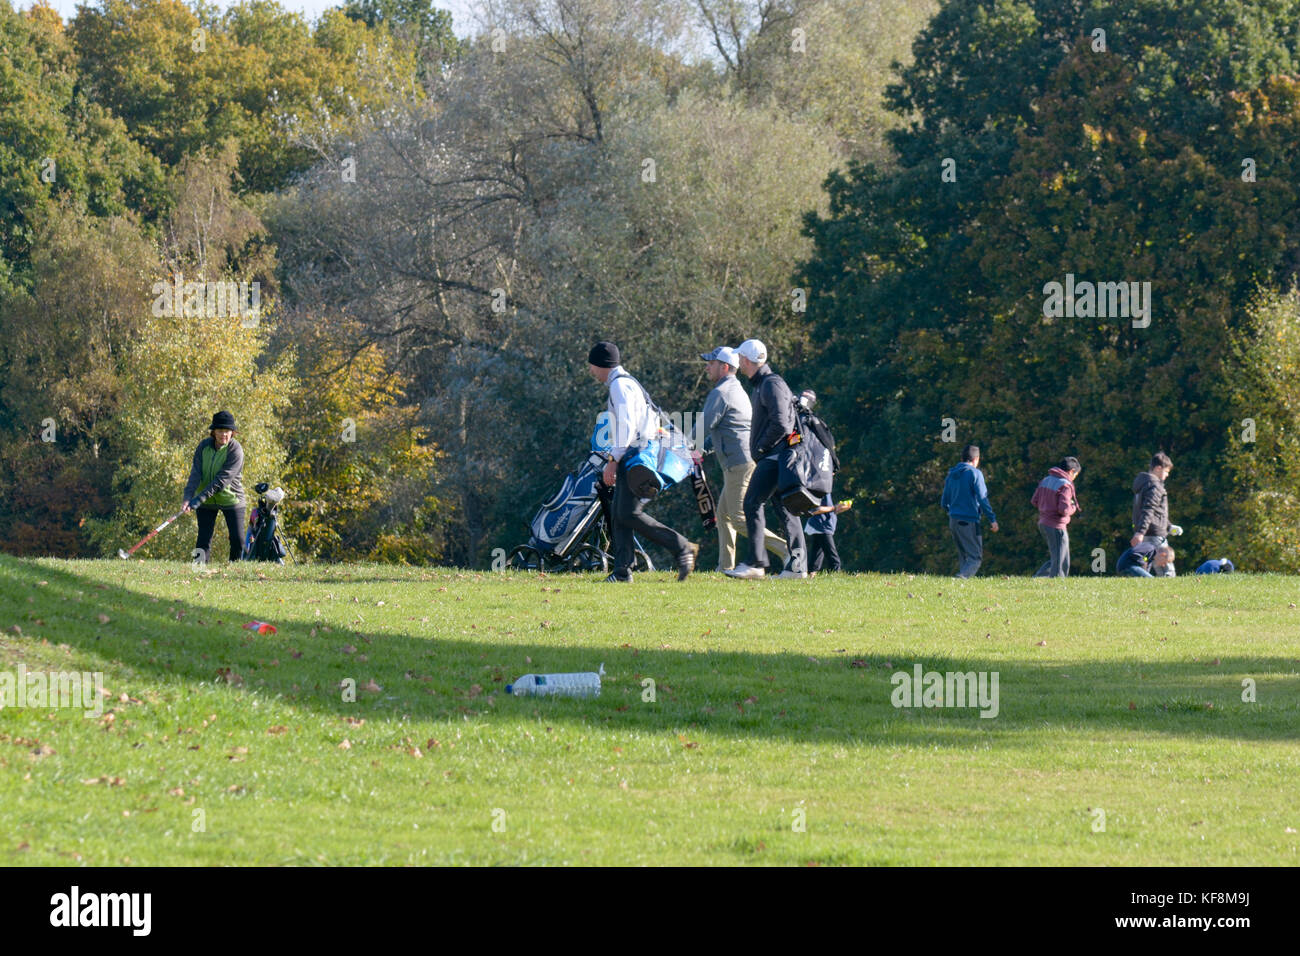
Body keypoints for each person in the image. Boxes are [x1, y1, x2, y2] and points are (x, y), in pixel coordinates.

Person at [587, 341, 697, 583]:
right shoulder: (627, 383)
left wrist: (613, 460)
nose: (590, 371)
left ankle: (680, 546)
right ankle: (622, 572)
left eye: (591, 366)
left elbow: (626, 425)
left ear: (601, 364)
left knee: (628, 514)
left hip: (634, 453)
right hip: (636, 450)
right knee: (620, 512)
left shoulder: (619, 386)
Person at [697, 345, 787, 572]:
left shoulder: (721, 392)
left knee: (738, 518)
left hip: (739, 463)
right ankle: (725, 566)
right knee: (723, 515)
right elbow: (717, 430)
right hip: (740, 461)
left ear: (724, 367)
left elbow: (701, 428)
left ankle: (789, 551)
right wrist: (699, 448)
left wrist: (681, 446)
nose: (707, 367)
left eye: (711, 363)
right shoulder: (734, 389)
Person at [724, 339, 807, 579]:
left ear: (747, 361)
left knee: (751, 503)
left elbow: (782, 423)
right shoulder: (764, 384)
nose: (739, 362)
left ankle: (756, 562)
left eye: (740, 358)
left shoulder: (771, 384)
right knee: (785, 508)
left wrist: (761, 449)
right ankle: (797, 568)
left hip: (774, 457)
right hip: (775, 457)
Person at [182, 410, 247, 562]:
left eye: (227, 431)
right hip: (206, 501)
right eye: (220, 431)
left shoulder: (235, 449)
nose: (223, 435)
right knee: (203, 539)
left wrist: (199, 499)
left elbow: (222, 480)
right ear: (213, 432)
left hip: (232, 499)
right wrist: (187, 498)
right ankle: (197, 570)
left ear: (232, 432)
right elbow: (195, 474)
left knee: (238, 540)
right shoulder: (204, 446)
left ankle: (236, 571)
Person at [940, 444, 998, 578]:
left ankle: (961, 586)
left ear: (962, 458)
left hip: (953, 520)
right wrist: (992, 519)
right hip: (969, 520)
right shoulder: (975, 473)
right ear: (976, 459)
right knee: (975, 558)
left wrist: (952, 512)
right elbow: (983, 499)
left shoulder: (951, 474)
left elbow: (944, 502)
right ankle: (960, 579)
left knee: (964, 556)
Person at [1031, 456, 1081, 577]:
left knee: (1061, 558)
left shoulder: (1046, 480)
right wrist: (1073, 508)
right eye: (1075, 475)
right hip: (1056, 526)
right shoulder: (1065, 485)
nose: (1074, 478)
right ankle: (1055, 584)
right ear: (1071, 472)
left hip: (1043, 523)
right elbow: (1063, 509)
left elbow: (1034, 501)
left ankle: (1038, 578)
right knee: (1060, 561)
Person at [1132, 452, 1174, 552]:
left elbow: (1156, 511)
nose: (1167, 475)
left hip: (1146, 532)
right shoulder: (1155, 486)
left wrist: (1169, 526)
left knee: (1145, 565)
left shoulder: (1144, 484)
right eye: (1166, 471)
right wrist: (1140, 532)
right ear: (1158, 468)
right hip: (1155, 535)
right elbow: (1149, 509)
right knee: (1165, 565)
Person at [804, 492, 852, 574]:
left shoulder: (827, 489)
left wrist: (839, 508)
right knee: (833, 559)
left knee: (816, 556)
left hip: (823, 526)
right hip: (820, 526)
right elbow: (814, 510)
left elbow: (829, 510)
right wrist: (834, 508)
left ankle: (811, 574)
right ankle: (836, 575)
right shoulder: (820, 488)